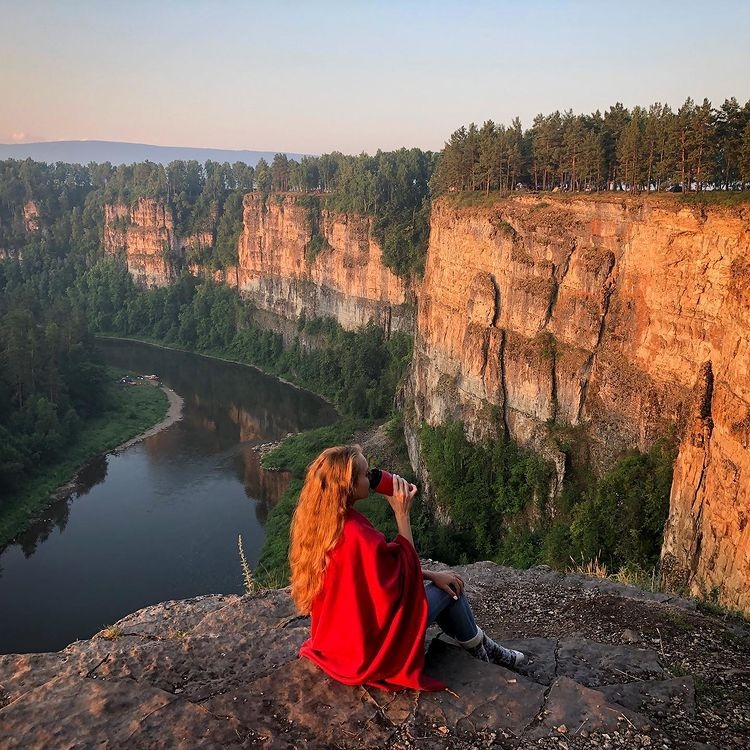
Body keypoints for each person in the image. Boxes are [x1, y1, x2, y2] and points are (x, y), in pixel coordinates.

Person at [289, 444, 525, 691]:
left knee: (442, 584)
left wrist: (431, 573)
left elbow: (372, 572)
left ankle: (486, 647)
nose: (371, 478)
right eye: (365, 475)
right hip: (368, 650)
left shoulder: (322, 525)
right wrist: (402, 514)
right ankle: (483, 653)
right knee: (452, 591)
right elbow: (401, 580)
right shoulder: (357, 534)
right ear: (347, 485)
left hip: (336, 643)